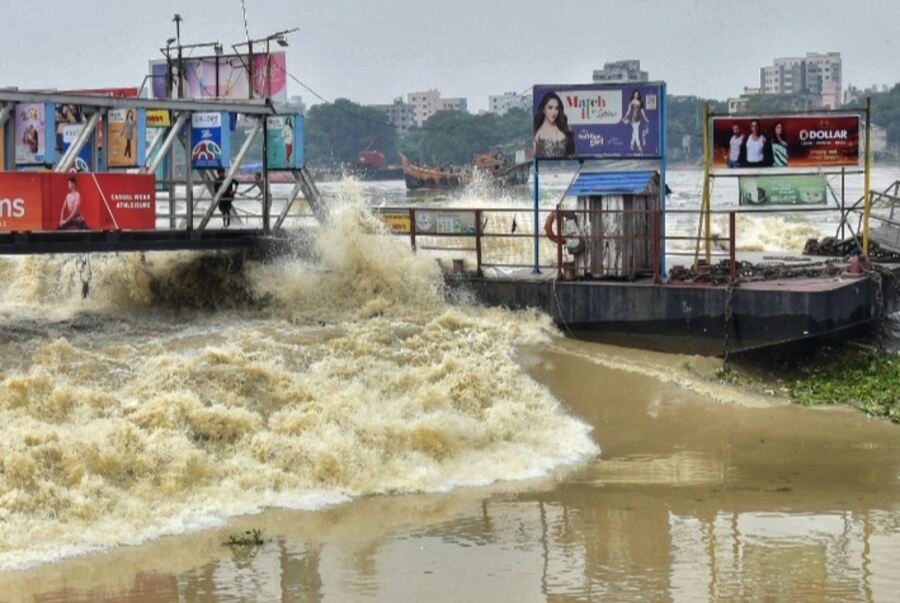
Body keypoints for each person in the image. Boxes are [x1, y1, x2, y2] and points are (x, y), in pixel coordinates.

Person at [533, 91, 575, 158]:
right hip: (544, 168)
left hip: (566, 168)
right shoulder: (538, 133)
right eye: (550, 108)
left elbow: (573, 155)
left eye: (556, 108)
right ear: (543, 109)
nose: (554, 112)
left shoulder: (566, 128)